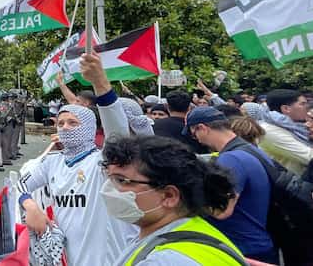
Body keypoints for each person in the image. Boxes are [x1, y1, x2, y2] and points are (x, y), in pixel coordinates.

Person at [17, 52, 148, 266]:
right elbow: (21, 183)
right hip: (70, 256)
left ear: (89, 128)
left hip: (107, 257)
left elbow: (117, 132)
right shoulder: (52, 162)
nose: (65, 128)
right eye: (61, 123)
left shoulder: (103, 162)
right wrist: (30, 205)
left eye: (72, 123)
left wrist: (100, 83)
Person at [102, 135, 247, 265]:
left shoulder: (165, 260)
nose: (108, 189)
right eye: (109, 178)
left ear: (169, 196)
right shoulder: (188, 231)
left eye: (121, 180)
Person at [182, 107, 277, 263]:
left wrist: (185, 202)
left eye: (194, 135)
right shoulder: (249, 150)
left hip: (244, 247)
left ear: (202, 128)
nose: (197, 140)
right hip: (255, 241)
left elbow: (221, 210)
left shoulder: (230, 159)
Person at [256, 89, 313, 175]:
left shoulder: (296, 126)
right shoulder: (269, 131)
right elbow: (309, 157)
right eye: (302, 104)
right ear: (286, 108)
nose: (307, 107)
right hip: (297, 184)